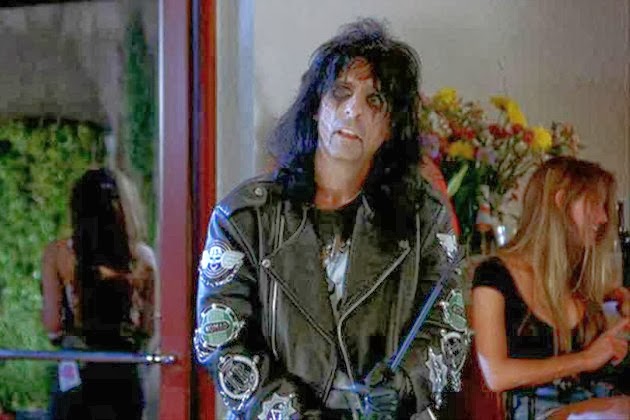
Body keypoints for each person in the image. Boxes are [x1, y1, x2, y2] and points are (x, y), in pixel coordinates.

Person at [194, 18, 469, 419]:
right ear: (316, 108)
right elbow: (222, 341)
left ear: (391, 127)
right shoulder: (243, 217)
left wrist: (406, 386)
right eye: (341, 92)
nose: (354, 110)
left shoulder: (423, 217)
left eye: (375, 101)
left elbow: (448, 330)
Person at [471, 156, 630, 419]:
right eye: (594, 204)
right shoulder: (494, 276)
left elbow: (608, 295)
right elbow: (496, 375)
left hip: (598, 402)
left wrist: (620, 300)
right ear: (561, 201)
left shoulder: (578, 277)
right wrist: (586, 359)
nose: (603, 218)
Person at [41, 167, 155, 420]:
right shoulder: (143, 258)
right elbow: (148, 326)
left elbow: (53, 324)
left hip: (77, 369)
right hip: (123, 373)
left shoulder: (58, 254)